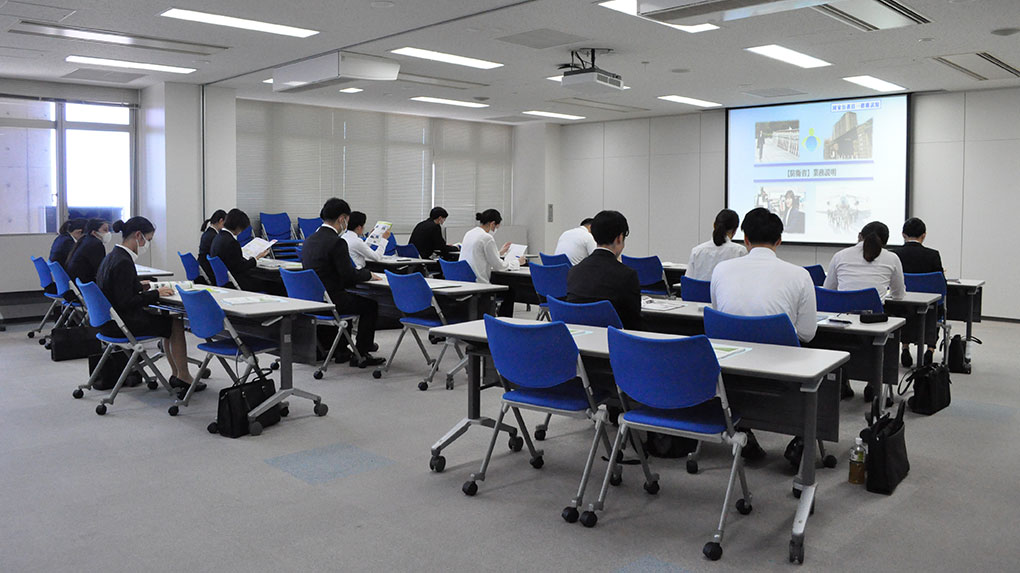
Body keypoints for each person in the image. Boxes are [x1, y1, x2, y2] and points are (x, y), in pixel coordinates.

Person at [711, 207, 817, 459]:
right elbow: (807, 333)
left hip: (730, 374)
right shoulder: (800, 276)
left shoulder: (721, 270)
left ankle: (742, 427)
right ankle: (803, 438)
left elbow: (719, 315)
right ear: (779, 241)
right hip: (782, 376)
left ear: (745, 239)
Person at [95, 217, 202, 392]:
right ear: (138, 236)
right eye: (149, 239)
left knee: (166, 320)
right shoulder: (123, 262)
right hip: (121, 324)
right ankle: (182, 376)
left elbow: (118, 289)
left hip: (107, 322)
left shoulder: (112, 256)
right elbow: (127, 301)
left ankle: (177, 374)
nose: (148, 244)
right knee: (174, 321)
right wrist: (155, 293)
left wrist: (138, 285)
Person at [302, 198, 385, 367]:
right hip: (332, 300)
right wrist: (368, 274)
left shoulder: (309, 240)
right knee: (370, 306)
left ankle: (339, 349)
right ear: (342, 219)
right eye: (346, 219)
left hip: (314, 299)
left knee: (349, 299)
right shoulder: (336, 242)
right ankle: (361, 353)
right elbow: (348, 275)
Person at [565, 210, 641, 330]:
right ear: (619, 238)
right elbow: (634, 323)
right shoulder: (627, 275)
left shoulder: (574, 271)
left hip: (580, 340)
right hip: (616, 343)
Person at [891, 217, 945, 366]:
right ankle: (930, 349)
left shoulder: (894, 254)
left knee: (904, 310)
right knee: (933, 311)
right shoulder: (933, 254)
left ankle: (905, 347)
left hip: (902, 304)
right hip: (929, 307)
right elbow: (941, 283)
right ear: (924, 235)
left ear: (903, 234)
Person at [458, 209, 525, 317]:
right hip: (479, 283)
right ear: (492, 223)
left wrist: (499, 252)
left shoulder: (470, 233)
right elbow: (500, 266)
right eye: (497, 226)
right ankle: (504, 321)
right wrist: (517, 262)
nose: (496, 229)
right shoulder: (487, 237)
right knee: (510, 291)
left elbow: (480, 256)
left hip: (466, 280)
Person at [823, 221, 906, 300]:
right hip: (873, 313)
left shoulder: (839, 256)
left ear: (860, 236)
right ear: (885, 242)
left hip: (842, 311)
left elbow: (828, 289)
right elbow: (898, 295)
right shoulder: (892, 258)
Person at [209, 209, 273, 293]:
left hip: (227, 281)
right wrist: (256, 258)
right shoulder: (232, 242)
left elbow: (234, 262)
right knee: (273, 283)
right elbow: (240, 267)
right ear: (238, 227)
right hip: (237, 282)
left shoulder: (217, 238)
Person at [686, 209, 747, 281]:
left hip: (701, 292)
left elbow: (688, 281)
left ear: (714, 225)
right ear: (735, 230)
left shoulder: (696, 251)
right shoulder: (740, 252)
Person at [66, 218, 111, 285]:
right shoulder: (96, 244)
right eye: (105, 230)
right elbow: (100, 270)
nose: (108, 233)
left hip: (77, 282)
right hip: (86, 283)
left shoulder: (85, 240)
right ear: (94, 232)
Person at [198, 209, 226, 283]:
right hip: (209, 269)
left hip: (204, 266)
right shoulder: (213, 236)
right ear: (221, 221)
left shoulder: (208, 233)